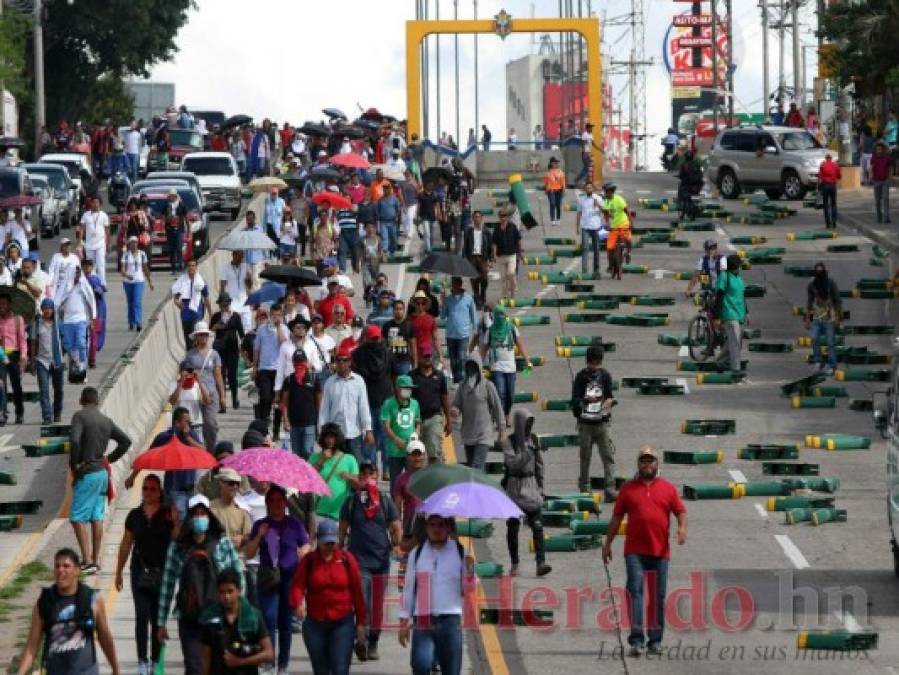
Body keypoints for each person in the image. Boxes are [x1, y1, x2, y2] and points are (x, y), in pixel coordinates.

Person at [602, 446, 687, 657]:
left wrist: (682, 528)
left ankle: (655, 641)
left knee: (658, 597)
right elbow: (616, 518)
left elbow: (680, 511)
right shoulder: (628, 489)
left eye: (650, 460)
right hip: (635, 552)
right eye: (643, 461)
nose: (646, 464)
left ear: (657, 463)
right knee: (636, 592)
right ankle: (637, 640)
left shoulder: (667, 488)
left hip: (660, 552)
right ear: (638, 464)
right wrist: (608, 544)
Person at [157, 494, 245, 675]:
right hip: (189, 617)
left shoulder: (223, 544)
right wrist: (161, 623)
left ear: (209, 516)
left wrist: (240, 611)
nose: (199, 518)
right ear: (189, 518)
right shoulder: (178, 547)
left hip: (218, 617)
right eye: (195, 514)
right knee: (194, 667)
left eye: (202, 513)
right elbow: (167, 584)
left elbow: (239, 578)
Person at [17, 548, 121, 675]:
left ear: (77, 570)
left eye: (66, 566)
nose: (61, 570)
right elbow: (31, 648)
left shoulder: (93, 600)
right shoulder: (45, 602)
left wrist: (115, 669)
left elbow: (105, 638)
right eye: (57, 566)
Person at [114, 475, 179, 675]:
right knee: (141, 615)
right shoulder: (134, 516)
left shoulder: (168, 514)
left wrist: (176, 521)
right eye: (145, 488)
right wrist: (118, 572)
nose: (148, 492)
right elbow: (126, 544)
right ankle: (142, 660)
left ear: (160, 492)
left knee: (157, 619)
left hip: (162, 573)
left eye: (152, 489)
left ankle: (155, 661)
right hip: (139, 572)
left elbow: (177, 539)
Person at [338, 460, 402, 662]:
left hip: (381, 560)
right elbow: (342, 529)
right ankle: (362, 640)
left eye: (371, 472)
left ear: (376, 475)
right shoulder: (351, 502)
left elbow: (395, 526)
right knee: (362, 602)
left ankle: (373, 641)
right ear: (358, 477)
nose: (367, 476)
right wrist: (339, 549)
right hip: (359, 561)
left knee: (377, 605)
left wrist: (397, 543)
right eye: (363, 473)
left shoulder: (384, 500)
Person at [245, 485, 311, 674]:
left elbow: (306, 545)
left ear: (285, 502)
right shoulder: (261, 524)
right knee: (269, 620)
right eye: (272, 500)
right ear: (267, 504)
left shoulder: (294, 524)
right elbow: (249, 553)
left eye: (280, 500)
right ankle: (268, 661)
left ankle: (283, 665)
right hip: (268, 577)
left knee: (285, 623)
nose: (276, 504)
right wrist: (259, 536)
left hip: (290, 577)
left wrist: (304, 551)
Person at [289, 519, 366, 675]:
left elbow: (357, 593)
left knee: (340, 669)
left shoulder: (346, 559)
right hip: (315, 623)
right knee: (321, 670)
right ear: (318, 540)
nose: (329, 547)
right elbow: (297, 586)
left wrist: (360, 624)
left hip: (342, 623)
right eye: (326, 543)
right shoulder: (309, 561)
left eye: (332, 543)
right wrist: (297, 603)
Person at [399, 513, 473, 675]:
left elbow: (469, 589)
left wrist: (470, 572)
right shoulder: (417, 554)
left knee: (451, 670)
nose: (436, 529)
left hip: (450, 621)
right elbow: (409, 588)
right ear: (426, 528)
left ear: (448, 527)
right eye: (432, 525)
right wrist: (404, 621)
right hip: (423, 620)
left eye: (440, 525)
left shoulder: (460, 551)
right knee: (420, 664)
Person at [69, 386, 132, 573]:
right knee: (97, 516)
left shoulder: (79, 417)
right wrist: (109, 459)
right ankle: (95, 561)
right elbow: (126, 441)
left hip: (87, 473)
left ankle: (87, 559)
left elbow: (74, 440)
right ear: (96, 401)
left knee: (76, 517)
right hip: (103, 474)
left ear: (82, 400)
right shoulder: (106, 420)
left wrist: (74, 465)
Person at [503, 409, 552, 577]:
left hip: (531, 487)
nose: (528, 427)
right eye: (526, 423)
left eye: (531, 423)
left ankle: (541, 563)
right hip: (514, 488)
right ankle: (515, 562)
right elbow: (512, 464)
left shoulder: (533, 439)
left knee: (538, 527)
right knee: (513, 529)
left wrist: (541, 489)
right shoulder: (509, 442)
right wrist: (528, 452)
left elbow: (540, 466)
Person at [199, 568, 274, 675]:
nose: (226, 597)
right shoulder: (210, 619)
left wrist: (239, 662)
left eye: (230, 591)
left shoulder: (253, 616)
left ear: (239, 590)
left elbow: (268, 653)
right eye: (222, 592)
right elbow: (205, 659)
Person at [570, 346, 617, 497]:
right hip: (585, 424)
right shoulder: (580, 377)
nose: (594, 367)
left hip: (602, 423)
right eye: (592, 364)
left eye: (597, 364)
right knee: (585, 457)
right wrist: (584, 401)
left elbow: (610, 395)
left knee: (608, 456)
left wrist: (608, 403)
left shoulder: (605, 376)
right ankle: (584, 486)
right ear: (587, 362)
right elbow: (575, 400)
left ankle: (609, 488)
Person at [319, 344, 374, 461]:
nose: (342, 363)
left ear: (350, 362)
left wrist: (368, 430)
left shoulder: (359, 381)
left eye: (345, 360)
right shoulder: (330, 382)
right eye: (338, 360)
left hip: (355, 432)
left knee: (356, 467)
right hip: (336, 434)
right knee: (337, 467)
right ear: (335, 363)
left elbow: (363, 407)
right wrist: (322, 431)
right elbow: (324, 409)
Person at [451, 353, 504, 470]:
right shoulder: (462, 386)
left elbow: (497, 407)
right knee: (471, 469)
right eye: (469, 366)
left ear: (479, 367)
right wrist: (455, 409)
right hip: (468, 434)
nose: (471, 369)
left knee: (477, 467)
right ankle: (481, 487)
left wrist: (502, 430)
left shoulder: (488, 385)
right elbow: (456, 404)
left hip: (483, 434)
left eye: (474, 366)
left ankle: (479, 487)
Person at [352, 324, 393, 474]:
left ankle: (372, 469)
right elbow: (393, 374)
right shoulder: (388, 353)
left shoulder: (357, 354)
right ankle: (386, 469)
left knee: (369, 435)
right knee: (384, 435)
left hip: (367, 399)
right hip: (382, 397)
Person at [480, 305, 531, 425]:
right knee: (501, 393)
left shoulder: (511, 328)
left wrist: (527, 360)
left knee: (510, 395)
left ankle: (507, 414)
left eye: (504, 314)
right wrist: (478, 364)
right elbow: (483, 350)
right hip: (497, 366)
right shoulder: (490, 331)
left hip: (511, 367)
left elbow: (520, 344)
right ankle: (502, 418)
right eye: (500, 315)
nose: (502, 317)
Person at [185, 321, 227, 450]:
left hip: (211, 393)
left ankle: (211, 449)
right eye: (200, 335)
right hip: (195, 394)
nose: (203, 337)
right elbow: (184, 374)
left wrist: (222, 396)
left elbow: (218, 376)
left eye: (205, 335)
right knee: (195, 424)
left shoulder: (214, 355)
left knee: (210, 423)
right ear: (196, 337)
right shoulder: (190, 355)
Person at [310, 424, 360, 521]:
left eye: (332, 437)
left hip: (340, 516)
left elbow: (358, 486)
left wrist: (350, 477)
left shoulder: (349, 459)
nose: (329, 440)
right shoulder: (314, 457)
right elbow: (306, 478)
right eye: (327, 437)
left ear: (338, 438)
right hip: (318, 512)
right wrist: (321, 461)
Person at [410, 343, 450, 466]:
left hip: (434, 417)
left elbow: (444, 397)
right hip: (416, 420)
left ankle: (437, 478)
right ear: (420, 357)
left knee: (434, 450)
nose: (427, 359)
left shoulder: (439, 376)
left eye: (429, 356)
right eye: (425, 356)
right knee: (416, 453)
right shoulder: (412, 376)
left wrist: (448, 420)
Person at [382, 374, 422, 490]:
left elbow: (418, 422)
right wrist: (396, 439)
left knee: (413, 481)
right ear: (397, 388)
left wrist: (417, 433)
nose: (408, 391)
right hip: (394, 450)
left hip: (411, 450)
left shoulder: (415, 403)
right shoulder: (388, 404)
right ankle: (395, 506)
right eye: (406, 388)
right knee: (395, 482)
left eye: (410, 388)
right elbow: (386, 425)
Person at [29, 298, 65, 424]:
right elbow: (33, 342)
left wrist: (66, 357)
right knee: (44, 390)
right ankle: (47, 416)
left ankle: (57, 413)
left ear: (53, 310)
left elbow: (64, 341)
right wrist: (32, 360)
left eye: (49, 308)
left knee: (59, 389)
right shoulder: (37, 323)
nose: (47, 311)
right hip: (41, 361)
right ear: (42, 310)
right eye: (45, 308)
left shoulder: (58, 323)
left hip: (57, 360)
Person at [253, 303, 289, 426]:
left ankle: (276, 429)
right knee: (265, 397)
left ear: (282, 315)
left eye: (278, 315)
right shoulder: (261, 329)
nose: (276, 318)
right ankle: (264, 421)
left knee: (278, 401)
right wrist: (254, 367)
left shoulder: (284, 329)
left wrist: (278, 328)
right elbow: (256, 349)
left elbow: (284, 344)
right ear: (270, 315)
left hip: (279, 369)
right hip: (264, 368)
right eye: (274, 315)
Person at [280, 348, 319, 459]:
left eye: (301, 361)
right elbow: (285, 402)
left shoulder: (313, 378)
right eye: (296, 361)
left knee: (307, 451)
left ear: (306, 362)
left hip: (309, 422)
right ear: (292, 363)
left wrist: (319, 420)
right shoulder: (288, 380)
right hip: (294, 423)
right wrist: (285, 421)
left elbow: (319, 401)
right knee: (296, 455)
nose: (299, 364)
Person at [715, 254, 748, 377]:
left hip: (739, 314)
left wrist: (747, 312)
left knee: (733, 341)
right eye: (739, 265)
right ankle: (735, 369)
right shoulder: (724, 277)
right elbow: (719, 297)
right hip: (729, 313)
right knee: (735, 342)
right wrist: (717, 317)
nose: (740, 267)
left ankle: (720, 363)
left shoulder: (739, 278)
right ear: (734, 266)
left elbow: (742, 296)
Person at [805, 262, 842, 375]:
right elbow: (810, 303)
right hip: (817, 317)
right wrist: (808, 319)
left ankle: (832, 365)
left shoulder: (831, 284)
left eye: (821, 271)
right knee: (815, 339)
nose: (819, 273)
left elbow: (837, 302)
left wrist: (838, 319)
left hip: (829, 318)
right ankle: (818, 362)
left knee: (830, 342)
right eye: (817, 271)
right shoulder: (812, 285)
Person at [211, 294, 246, 410]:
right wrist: (216, 327)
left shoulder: (235, 316)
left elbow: (241, 333)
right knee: (220, 375)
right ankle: (222, 401)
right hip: (219, 350)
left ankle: (235, 398)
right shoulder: (216, 316)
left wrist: (244, 349)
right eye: (221, 305)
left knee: (232, 376)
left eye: (225, 305)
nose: (224, 307)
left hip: (232, 349)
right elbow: (209, 330)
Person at [440, 276, 477, 384]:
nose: (455, 286)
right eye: (454, 284)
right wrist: (443, 302)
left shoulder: (468, 298)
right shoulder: (448, 299)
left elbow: (473, 316)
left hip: (463, 334)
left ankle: (461, 380)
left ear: (460, 285)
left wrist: (475, 330)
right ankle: (456, 380)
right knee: (453, 360)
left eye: (457, 284)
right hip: (451, 334)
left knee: (461, 358)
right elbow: (442, 316)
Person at [210, 467, 253, 556]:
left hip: (238, 560)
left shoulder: (243, 509)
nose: (235, 487)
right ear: (221, 483)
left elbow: (249, 536)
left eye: (237, 484)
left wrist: (243, 539)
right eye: (231, 483)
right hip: (216, 560)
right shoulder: (210, 508)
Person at [172, 258, 212, 348]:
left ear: (196, 267)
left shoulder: (201, 282)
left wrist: (210, 313)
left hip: (197, 312)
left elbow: (206, 298)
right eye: (189, 266)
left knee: (197, 336)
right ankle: (190, 358)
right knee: (188, 338)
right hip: (186, 313)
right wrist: (177, 302)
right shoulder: (182, 281)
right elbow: (176, 297)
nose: (191, 268)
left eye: (193, 265)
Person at [168, 359, 210, 442]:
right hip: (179, 426)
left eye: (190, 371)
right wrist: (181, 382)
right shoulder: (173, 385)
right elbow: (172, 401)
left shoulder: (197, 386)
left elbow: (207, 401)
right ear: (180, 372)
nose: (188, 373)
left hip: (195, 425)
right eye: (186, 371)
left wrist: (199, 381)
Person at [0, 291, 26, 424]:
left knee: (16, 386)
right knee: (1, 386)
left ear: (10, 304)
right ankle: (3, 414)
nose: (1, 306)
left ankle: (19, 412)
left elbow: (22, 340)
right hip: (1, 355)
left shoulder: (18, 319)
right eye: (0, 304)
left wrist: (23, 357)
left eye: (4, 303)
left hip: (14, 355)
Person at [120, 235, 153, 331]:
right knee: (130, 302)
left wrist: (150, 281)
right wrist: (126, 275)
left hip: (139, 280)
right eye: (132, 243)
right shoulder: (126, 255)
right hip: (128, 281)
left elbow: (145, 268)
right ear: (129, 244)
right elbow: (122, 270)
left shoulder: (142, 254)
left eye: (135, 242)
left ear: (137, 244)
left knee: (137, 301)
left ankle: (138, 322)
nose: (134, 244)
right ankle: (131, 321)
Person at [462, 211, 492, 308]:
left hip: (482, 258)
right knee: (474, 279)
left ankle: (483, 293)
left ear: (482, 218)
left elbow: (490, 245)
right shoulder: (468, 231)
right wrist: (464, 259)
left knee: (484, 278)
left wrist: (490, 259)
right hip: (472, 258)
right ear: (473, 219)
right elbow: (465, 245)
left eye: (479, 217)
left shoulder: (486, 231)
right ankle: (477, 298)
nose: (477, 219)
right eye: (475, 217)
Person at [78, 197, 110, 287]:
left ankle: (102, 284)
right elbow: (82, 229)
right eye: (93, 202)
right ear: (91, 204)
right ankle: (92, 282)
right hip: (89, 244)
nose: (95, 204)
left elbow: (107, 230)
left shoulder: (103, 215)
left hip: (100, 243)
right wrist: (80, 241)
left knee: (101, 264)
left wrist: (108, 243)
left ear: (100, 204)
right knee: (91, 265)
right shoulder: (86, 215)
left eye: (97, 202)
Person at [491, 208, 521, 300]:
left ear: (507, 217)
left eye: (504, 216)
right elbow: (494, 242)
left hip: (511, 255)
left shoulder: (513, 227)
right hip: (501, 256)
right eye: (501, 216)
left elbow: (518, 239)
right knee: (503, 277)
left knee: (511, 273)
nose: (503, 218)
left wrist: (519, 252)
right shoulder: (496, 228)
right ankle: (504, 294)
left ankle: (512, 294)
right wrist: (494, 254)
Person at [602, 182, 632, 272]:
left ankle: (628, 253)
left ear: (611, 192)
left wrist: (631, 223)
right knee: (609, 248)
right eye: (605, 192)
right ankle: (610, 265)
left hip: (623, 223)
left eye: (606, 192)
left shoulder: (619, 199)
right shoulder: (606, 201)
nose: (605, 193)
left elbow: (627, 211)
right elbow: (606, 214)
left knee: (628, 239)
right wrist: (607, 223)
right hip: (613, 226)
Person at [576, 181, 604, 275]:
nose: (589, 189)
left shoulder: (598, 198)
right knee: (585, 248)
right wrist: (577, 226)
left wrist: (598, 205)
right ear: (585, 189)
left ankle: (596, 269)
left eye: (590, 188)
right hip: (585, 227)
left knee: (596, 249)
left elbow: (604, 210)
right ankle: (584, 270)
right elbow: (579, 213)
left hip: (596, 227)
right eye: (587, 188)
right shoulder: (581, 199)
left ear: (593, 189)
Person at [409, 290, 438, 366]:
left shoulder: (431, 319)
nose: (420, 306)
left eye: (423, 303)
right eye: (418, 303)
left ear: (425, 305)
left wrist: (441, 355)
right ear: (414, 304)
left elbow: (435, 338)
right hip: (414, 354)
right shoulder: (409, 319)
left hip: (428, 353)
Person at [164, 189, 189, 273]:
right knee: (171, 249)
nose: (170, 197)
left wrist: (188, 230)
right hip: (170, 229)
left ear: (175, 196)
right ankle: (173, 267)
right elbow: (163, 217)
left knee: (179, 248)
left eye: (171, 196)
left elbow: (186, 218)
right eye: (169, 196)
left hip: (179, 229)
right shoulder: (167, 206)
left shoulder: (181, 206)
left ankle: (180, 266)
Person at [376, 181, 402, 255]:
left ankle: (392, 252)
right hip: (383, 222)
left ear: (390, 189)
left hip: (392, 222)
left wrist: (397, 217)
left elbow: (398, 209)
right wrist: (378, 222)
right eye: (385, 189)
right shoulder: (380, 200)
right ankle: (385, 252)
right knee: (385, 237)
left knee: (393, 238)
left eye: (388, 189)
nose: (386, 190)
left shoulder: (394, 199)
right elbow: (378, 211)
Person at [417, 181, 443, 254]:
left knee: (431, 234)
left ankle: (430, 247)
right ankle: (428, 250)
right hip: (424, 216)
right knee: (427, 233)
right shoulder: (421, 195)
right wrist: (417, 216)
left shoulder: (434, 195)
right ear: (426, 186)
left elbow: (437, 205)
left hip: (432, 216)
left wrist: (439, 213)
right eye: (429, 185)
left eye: (432, 185)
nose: (431, 186)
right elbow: (419, 206)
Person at [818, 153, 841, 229]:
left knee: (826, 205)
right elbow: (839, 176)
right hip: (833, 186)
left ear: (826, 158)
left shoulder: (822, 165)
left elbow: (820, 176)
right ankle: (834, 223)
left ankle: (828, 223)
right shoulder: (835, 165)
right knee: (833, 204)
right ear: (831, 158)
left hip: (825, 186)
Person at [871, 141, 892, 224]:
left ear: (883, 150)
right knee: (877, 200)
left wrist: (889, 178)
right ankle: (879, 217)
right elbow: (871, 168)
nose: (879, 151)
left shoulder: (887, 158)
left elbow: (890, 168)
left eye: (880, 149)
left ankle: (886, 217)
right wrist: (871, 177)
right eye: (877, 149)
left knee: (886, 198)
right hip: (876, 180)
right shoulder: (874, 158)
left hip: (885, 180)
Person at [544, 158, 565, 226]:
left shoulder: (560, 172)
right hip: (551, 190)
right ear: (551, 164)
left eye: (557, 163)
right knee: (552, 204)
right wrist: (546, 190)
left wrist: (564, 189)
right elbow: (546, 182)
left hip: (559, 190)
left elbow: (563, 181)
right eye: (554, 163)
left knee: (558, 205)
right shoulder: (548, 173)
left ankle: (558, 219)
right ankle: (552, 220)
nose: (556, 164)